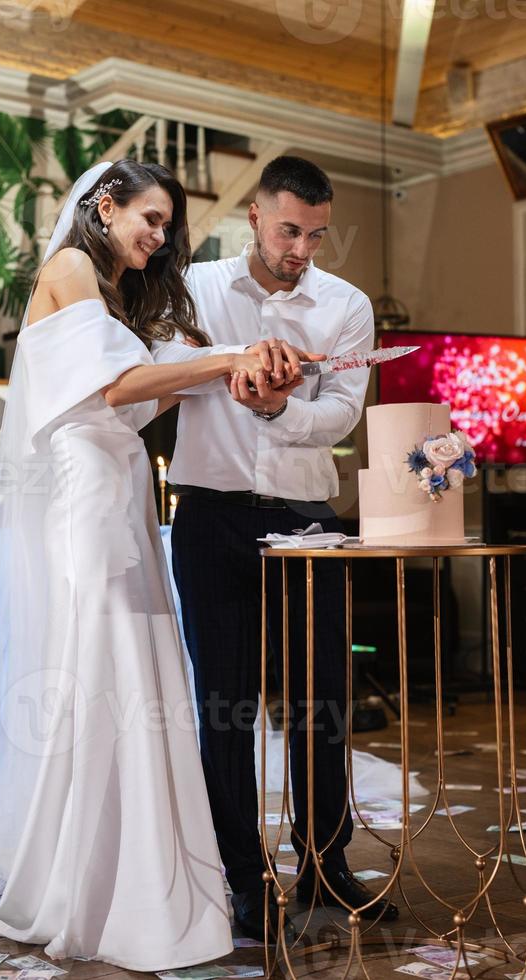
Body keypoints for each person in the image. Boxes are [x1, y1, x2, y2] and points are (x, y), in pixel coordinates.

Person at [0, 159, 316, 969]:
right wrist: (223, 359)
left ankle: (122, 869)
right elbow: (112, 392)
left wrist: (221, 373)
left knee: (131, 670)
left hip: (120, 492)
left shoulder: (107, 291)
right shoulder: (71, 266)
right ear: (103, 206)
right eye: (149, 218)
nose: (158, 236)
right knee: (109, 665)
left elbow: (138, 397)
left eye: (166, 226)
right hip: (87, 501)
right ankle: (111, 885)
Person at [152, 155, 399, 941]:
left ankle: (327, 866)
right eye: (289, 230)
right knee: (224, 707)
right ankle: (240, 876)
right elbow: (159, 372)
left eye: (317, 235)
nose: (302, 249)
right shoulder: (195, 287)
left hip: (305, 518)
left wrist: (275, 410)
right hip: (210, 516)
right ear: (255, 216)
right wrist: (230, 370)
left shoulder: (346, 305)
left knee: (320, 702)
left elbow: (339, 417)